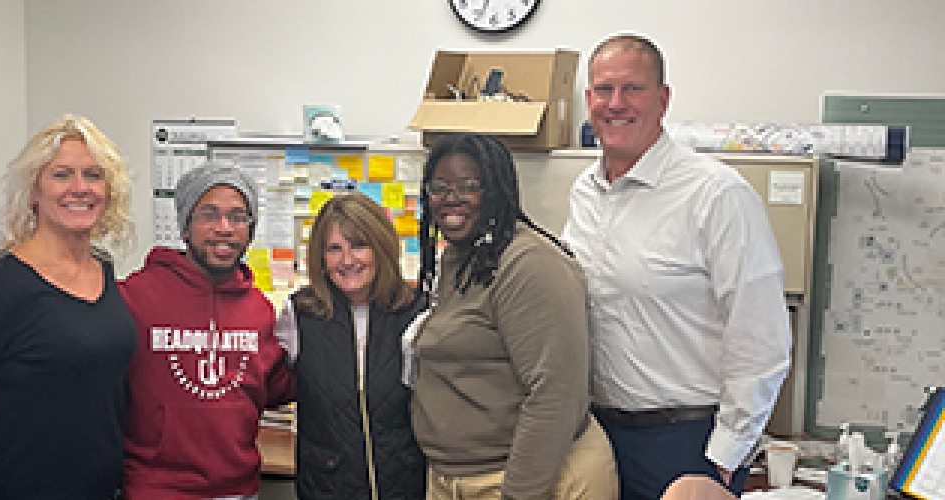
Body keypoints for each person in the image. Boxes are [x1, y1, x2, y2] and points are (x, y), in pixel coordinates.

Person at [563, 33, 792, 499]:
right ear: (588, 99)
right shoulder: (584, 192)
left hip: (689, 442)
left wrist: (726, 454)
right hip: (600, 438)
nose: (616, 103)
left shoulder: (717, 196)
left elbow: (762, 339)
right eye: (604, 90)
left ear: (663, 99)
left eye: (634, 89)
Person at [0, 114, 137, 500]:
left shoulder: (102, 268)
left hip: (99, 485)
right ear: (33, 192)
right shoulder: (5, 287)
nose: (80, 188)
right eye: (62, 175)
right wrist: (10, 432)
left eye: (94, 175)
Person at [412, 133, 618, 500]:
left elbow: (555, 395)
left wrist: (519, 494)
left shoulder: (529, 264)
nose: (450, 199)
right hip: (460, 477)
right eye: (439, 187)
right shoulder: (459, 259)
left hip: (525, 480)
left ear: (496, 190)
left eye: (469, 186)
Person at [119, 163, 296, 500]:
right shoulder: (135, 297)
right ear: (186, 227)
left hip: (238, 490)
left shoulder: (258, 308)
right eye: (209, 215)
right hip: (156, 490)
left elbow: (272, 386)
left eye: (238, 217)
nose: (224, 228)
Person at [273, 193, 427, 499]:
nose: (347, 260)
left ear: (380, 248)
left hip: (404, 486)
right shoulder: (299, 314)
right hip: (327, 487)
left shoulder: (417, 313)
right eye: (334, 249)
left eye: (359, 245)